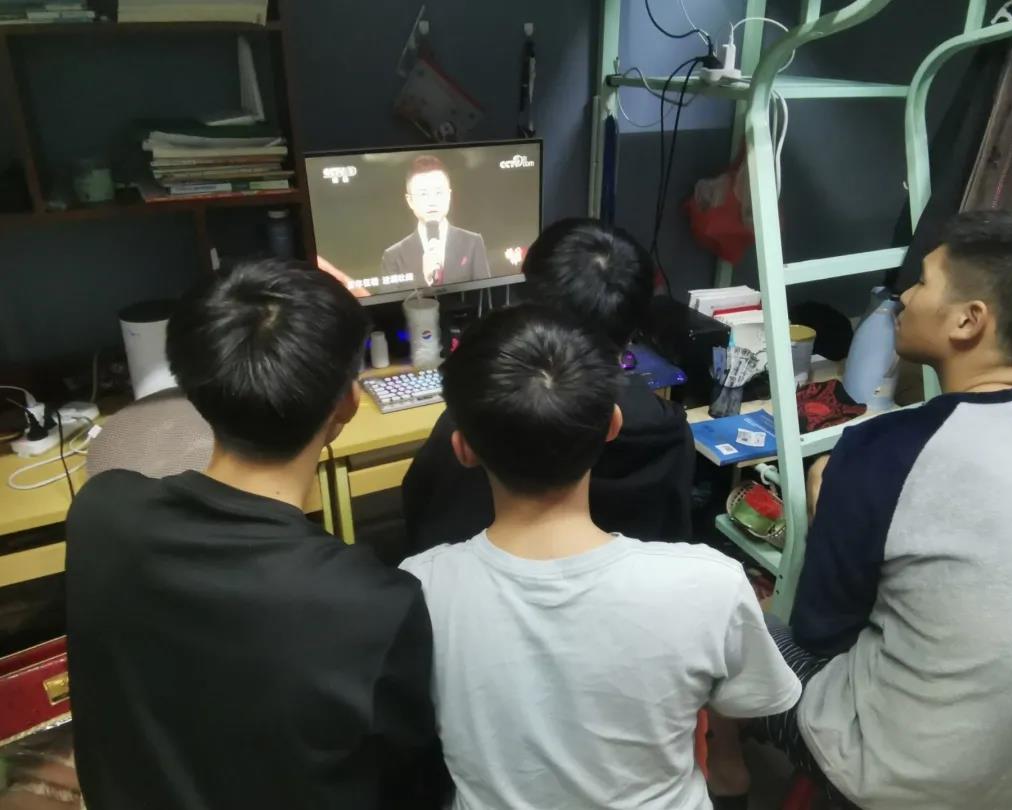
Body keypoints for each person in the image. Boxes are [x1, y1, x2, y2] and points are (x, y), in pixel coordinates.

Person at [714, 210, 1012, 809]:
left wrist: (832, 507)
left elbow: (822, 635)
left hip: (895, 776)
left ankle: (727, 776)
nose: (903, 297)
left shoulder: (883, 451)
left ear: (968, 320)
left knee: (725, 615)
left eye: (924, 282)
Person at [66, 259, 441, 810]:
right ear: (347, 402)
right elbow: (412, 784)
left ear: (190, 388)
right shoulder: (375, 605)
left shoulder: (100, 512)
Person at [400, 305, 801, 810]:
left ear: (462, 449)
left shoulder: (418, 590)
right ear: (613, 424)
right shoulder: (710, 585)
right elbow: (751, 699)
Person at [401, 218, 695, 557]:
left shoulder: (476, 423)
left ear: (527, 306)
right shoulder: (669, 433)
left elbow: (424, 525)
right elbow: (675, 540)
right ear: (634, 324)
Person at [381, 155, 490, 287]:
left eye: (438, 193)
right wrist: (426, 280)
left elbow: (486, 294)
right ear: (410, 201)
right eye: (423, 194)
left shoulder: (472, 242)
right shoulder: (393, 256)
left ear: (449, 195)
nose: (432, 201)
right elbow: (392, 300)